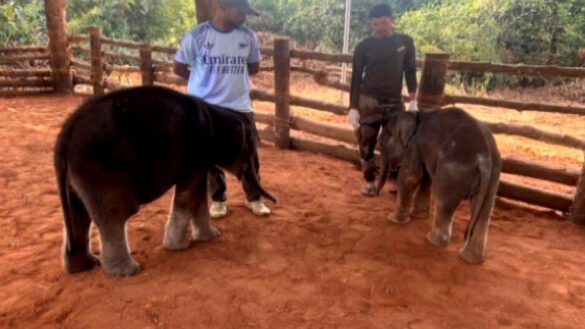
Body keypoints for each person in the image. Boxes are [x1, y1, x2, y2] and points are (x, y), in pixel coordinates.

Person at [173, 0, 271, 218]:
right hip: (205, 106)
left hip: (239, 105)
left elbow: (254, 67)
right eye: (240, 12)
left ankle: (254, 198)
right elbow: (178, 67)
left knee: (249, 154)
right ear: (223, 7)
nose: (244, 17)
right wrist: (201, 80)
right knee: (208, 156)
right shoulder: (196, 36)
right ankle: (218, 199)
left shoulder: (248, 37)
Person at [347, 3, 418, 196]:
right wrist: (353, 107)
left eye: (384, 23)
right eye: (376, 24)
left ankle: (394, 181)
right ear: (372, 24)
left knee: (396, 142)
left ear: (392, 21)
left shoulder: (405, 42)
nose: (380, 28)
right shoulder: (363, 46)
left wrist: (413, 99)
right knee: (366, 142)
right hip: (368, 101)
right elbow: (356, 78)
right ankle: (369, 181)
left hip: (395, 101)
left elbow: (410, 71)